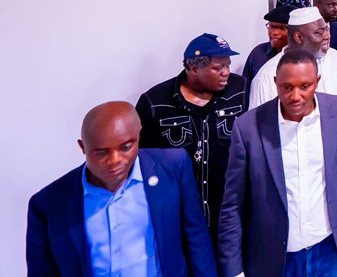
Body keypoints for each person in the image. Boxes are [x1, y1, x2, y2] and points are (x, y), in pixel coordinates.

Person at [219, 50, 337, 277]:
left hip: (332, 245)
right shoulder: (248, 128)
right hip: (277, 255)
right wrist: (233, 269)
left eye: (305, 86)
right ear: (276, 83)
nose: (295, 96)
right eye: (286, 87)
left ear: (317, 82)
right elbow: (233, 203)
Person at [27, 102, 217, 277]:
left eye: (126, 147)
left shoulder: (173, 167)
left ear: (138, 136)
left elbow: (196, 237)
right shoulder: (48, 204)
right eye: (101, 152)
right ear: (82, 147)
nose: (115, 160)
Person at [136, 33, 246, 244]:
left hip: (230, 218)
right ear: (194, 68)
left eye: (228, 65)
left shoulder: (239, 90)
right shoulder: (155, 103)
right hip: (180, 222)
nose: (226, 73)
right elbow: (143, 161)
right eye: (218, 68)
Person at [248, 7, 337, 139]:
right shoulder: (266, 76)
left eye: (327, 29)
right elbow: (259, 135)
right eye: (319, 32)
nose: (327, 36)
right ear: (299, 37)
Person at [242, 5, 292, 89]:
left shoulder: (302, 57)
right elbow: (244, 90)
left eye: (282, 28)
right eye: (272, 27)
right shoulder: (257, 54)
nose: (275, 32)